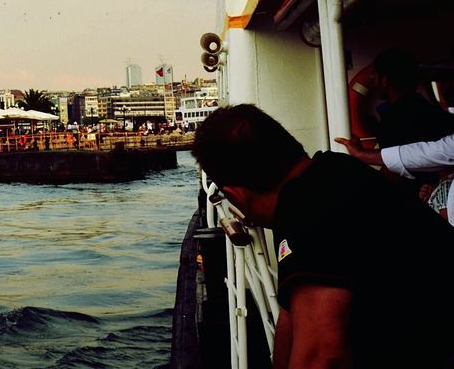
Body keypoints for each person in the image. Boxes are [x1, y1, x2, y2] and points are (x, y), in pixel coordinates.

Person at [194, 104, 454, 368]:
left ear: (237, 196)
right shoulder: (331, 173)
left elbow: (323, 357)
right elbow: (293, 317)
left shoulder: (311, 211)